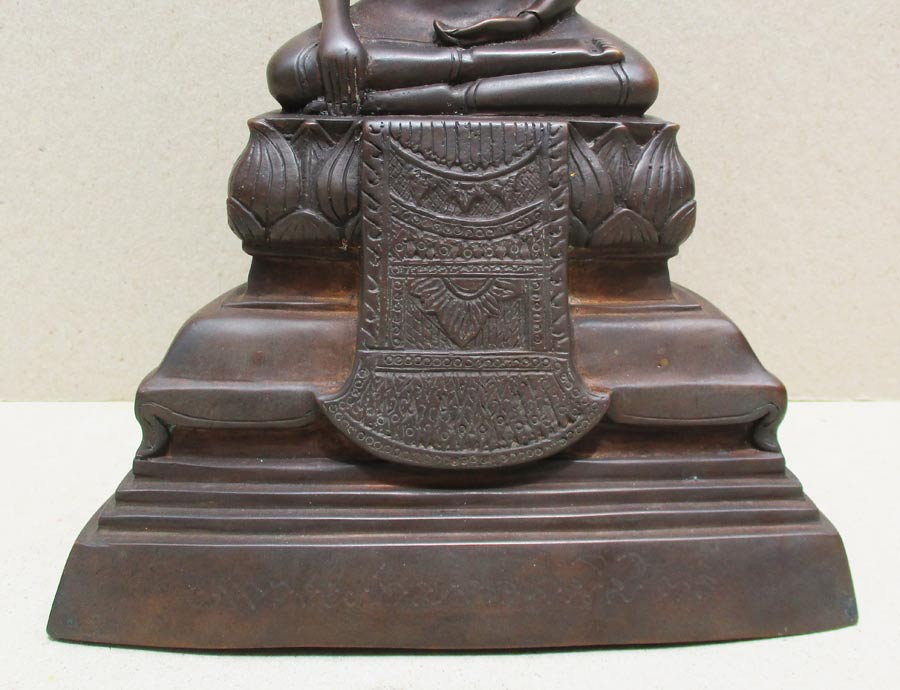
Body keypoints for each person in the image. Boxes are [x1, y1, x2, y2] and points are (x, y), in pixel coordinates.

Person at [268, 0, 658, 115]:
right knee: (290, 72)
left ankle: (426, 96)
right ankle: (475, 70)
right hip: (397, 16)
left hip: (510, 16)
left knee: (634, 78)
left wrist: (530, 19)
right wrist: (336, 26)